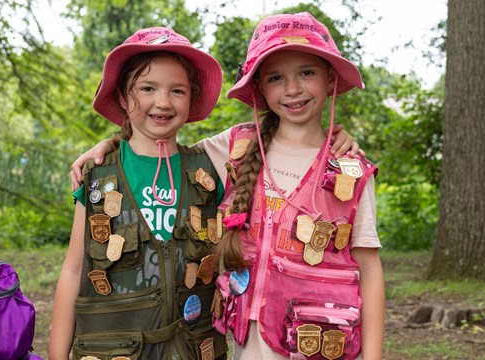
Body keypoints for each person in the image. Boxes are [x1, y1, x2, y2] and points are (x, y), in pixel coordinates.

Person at [211, 12, 384, 360]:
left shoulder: (350, 170)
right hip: (251, 348)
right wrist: (107, 146)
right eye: (276, 77)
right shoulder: (234, 148)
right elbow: (160, 151)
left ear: (331, 78)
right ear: (259, 86)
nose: (292, 89)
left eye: (306, 72)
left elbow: (370, 269)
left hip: (322, 344)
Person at [48, 27, 230, 360]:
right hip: (113, 349)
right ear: (122, 96)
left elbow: (286, 139)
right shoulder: (99, 175)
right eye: (147, 88)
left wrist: (338, 137)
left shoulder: (209, 167)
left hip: (191, 347)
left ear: (192, 98)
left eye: (178, 90)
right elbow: (73, 270)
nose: (162, 102)